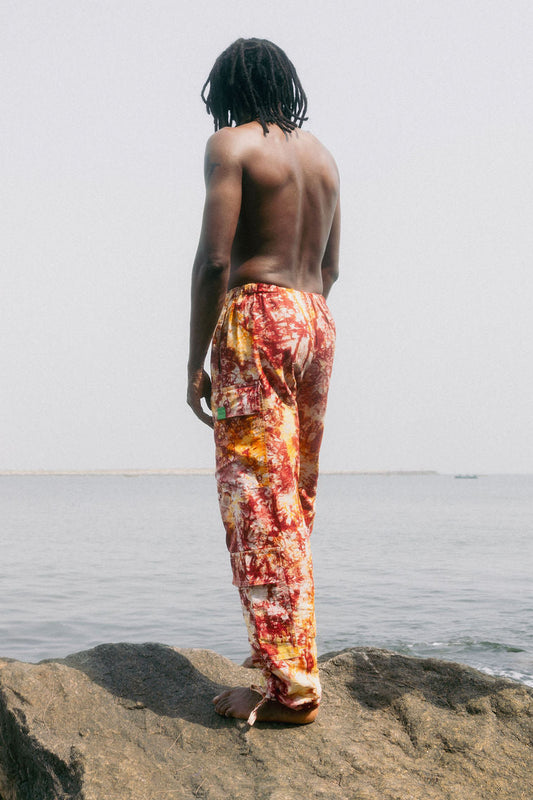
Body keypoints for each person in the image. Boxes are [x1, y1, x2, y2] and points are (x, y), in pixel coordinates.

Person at [187, 38, 340, 725]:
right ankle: (281, 653)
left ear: (225, 88)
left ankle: (290, 691)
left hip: (257, 314)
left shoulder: (231, 146)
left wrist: (197, 355)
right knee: (293, 496)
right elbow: (333, 266)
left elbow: (214, 259)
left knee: (256, 500)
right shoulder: (321, 158)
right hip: (315, 317)